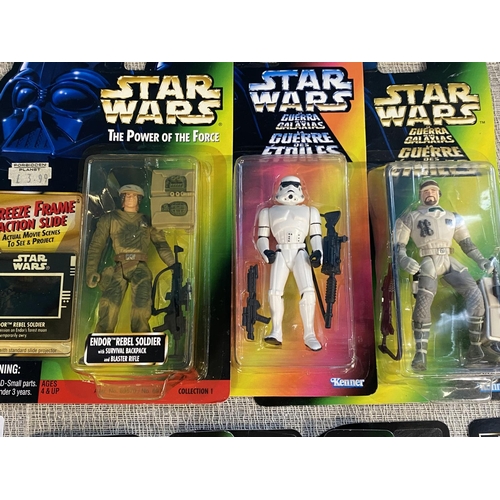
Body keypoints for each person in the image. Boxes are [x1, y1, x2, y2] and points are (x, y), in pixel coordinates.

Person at [395, 179, 495, 370]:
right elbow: (399, 246)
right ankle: (420, 353)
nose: (429, 194)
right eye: (425, 191)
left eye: (433, 190)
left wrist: (481, 260)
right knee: (424, 300)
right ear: (420, 195)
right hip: (428, 260)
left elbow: (467, 244)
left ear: (439, 194)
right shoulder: (411, 217)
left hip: (449, 259)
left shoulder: (453, 216)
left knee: (475, 295)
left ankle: (475, 347)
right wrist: (403, 259)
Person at [86, 184, 174, 333]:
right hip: (120, 266)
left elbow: (161, 244)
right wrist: (91, 271)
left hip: (140, 266)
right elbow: (96, 245)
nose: (130, 198)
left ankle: (142, 337)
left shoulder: (148, 221)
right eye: (127, 195)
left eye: (134, 196)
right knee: (109, 303)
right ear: (122, 199)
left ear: (139, 199)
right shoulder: (110, 218)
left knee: (142, 303)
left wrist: (174, 265)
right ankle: (101, 337)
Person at [256, 176, 323, 351]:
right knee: (274, 292)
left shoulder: (310, 211)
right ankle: (276, 331)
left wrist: (318, 253)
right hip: (280, 252)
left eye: (295, 185)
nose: (291, 189)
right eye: (286, 185)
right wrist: (265, 252)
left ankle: (309, 334)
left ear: (301, 189)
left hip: (301, 252)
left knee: (308, 292)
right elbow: (262, 237)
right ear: (279, 188)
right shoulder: (267, 212)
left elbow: (316, 236)